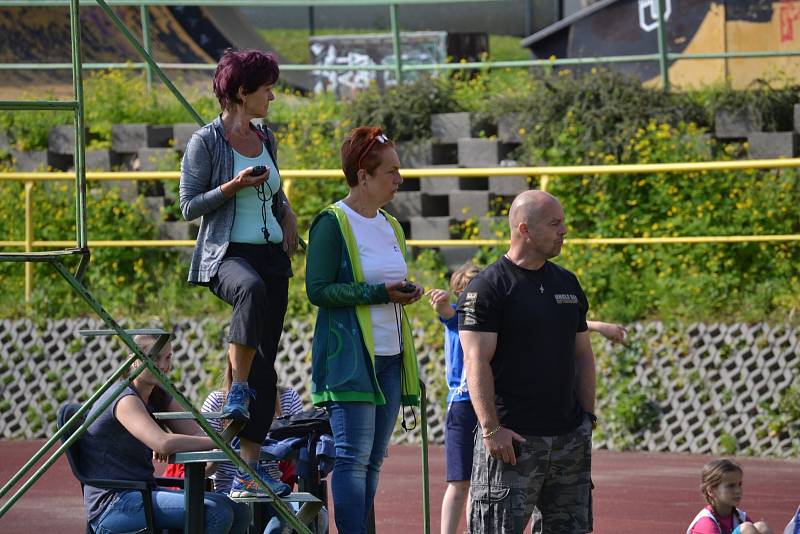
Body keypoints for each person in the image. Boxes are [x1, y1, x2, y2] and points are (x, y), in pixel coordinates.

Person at [180, 48, 299, 498]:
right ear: (242, 91)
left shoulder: (266, 138)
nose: (272, 94)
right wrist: (231, 187)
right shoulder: (205, 142)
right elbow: (189, 206)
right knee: (247, 289)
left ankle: (251, 470)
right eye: (266, 87)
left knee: (268, 358)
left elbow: (275, 190)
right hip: (228, 254)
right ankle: (237, 390)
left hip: (273, 257)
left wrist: (287, 214)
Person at [305, 126, 423, 534]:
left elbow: (387, 286)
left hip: (390, 358)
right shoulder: (331, 222)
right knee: (352, 459)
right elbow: (317, 290)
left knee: (373, 460)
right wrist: (379, 292)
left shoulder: (391, 223)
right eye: (391, 171)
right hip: (350, 361)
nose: (399, 179)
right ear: (363, 175)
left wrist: (407, 292)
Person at [458, 190, 596, 533]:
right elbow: (476, 361)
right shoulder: (487, 287)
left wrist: (586, 419)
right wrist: (491, 429)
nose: (564, 230)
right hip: (513, 441)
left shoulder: (567, 282)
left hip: (567, 439)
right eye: (555, 223)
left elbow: (583, 353)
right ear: (524, 229)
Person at [80, 334, 251, 534]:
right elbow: (162, 443)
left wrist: (211, 445)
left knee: (240, 511)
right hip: (115, 504)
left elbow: (196, 434)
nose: (162, 365)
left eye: (168, 357)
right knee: (216, 512)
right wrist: (217, 441)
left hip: (143, 492)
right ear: (134, 361)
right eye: (154, 357)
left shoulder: (159, 395)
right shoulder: (124, 398)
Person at [427, 263, 481, 534]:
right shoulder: (458, 315)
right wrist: (441, 304)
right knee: (460, 482)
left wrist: (598, 326)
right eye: (467, 288)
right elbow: (447, 313)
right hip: (462, 405)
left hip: (488, 405)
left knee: (481, 482)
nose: (474, 293)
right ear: (458, 292)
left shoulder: (491, 319)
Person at [687, 459, 773, 534]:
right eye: (730, 486)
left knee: (762, 527)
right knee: (747, 529)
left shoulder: (740, 517)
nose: (738, 490)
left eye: (739, 484)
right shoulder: (705, 523)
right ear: (711, 491)